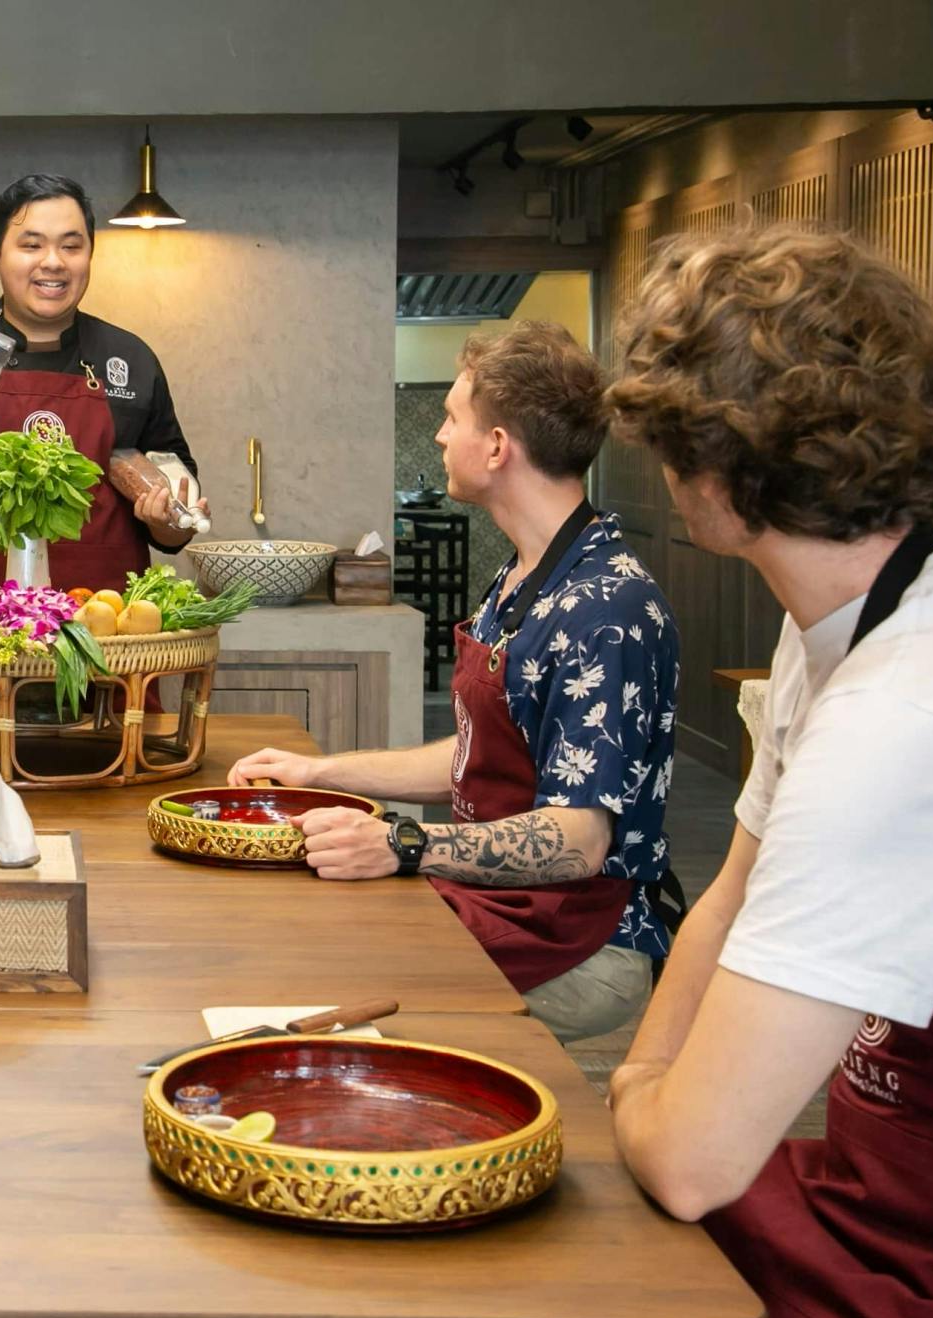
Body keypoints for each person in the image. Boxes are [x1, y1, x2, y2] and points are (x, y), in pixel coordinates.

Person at [604, 225, 933, 1318]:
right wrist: (642, 1081)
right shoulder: (864, 616)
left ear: (720, 472)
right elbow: (730, 892)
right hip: (884, 1186)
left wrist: (651, 1107)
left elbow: (692, 1162)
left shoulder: (905, 715)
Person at [232, 322, 681, 1042]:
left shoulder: (606, 608)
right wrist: (319, 770)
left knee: (330, 959)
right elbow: (475, 756)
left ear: (498, 446)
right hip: (497, 898)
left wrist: (403, 843)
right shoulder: (523, 575)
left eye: (451, 418)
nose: (440, 437)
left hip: (580, 936)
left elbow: (578, 839)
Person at [0, 173, 208, 595]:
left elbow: (173, 523)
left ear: (90, 254)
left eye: (71, 245)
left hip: (104, 628)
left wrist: (168, 521)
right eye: (31, 245)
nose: (53, 262)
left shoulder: (129, 358)